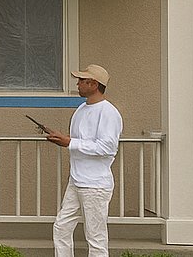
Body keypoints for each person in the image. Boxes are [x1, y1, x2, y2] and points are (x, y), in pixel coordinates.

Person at [45, 64, 122, 257]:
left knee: (96, 237)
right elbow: (80, 141)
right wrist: (63, 139)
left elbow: (107, 148)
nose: (77, 84)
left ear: (94, 84)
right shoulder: (81, 109)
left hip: (95, 185)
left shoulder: (108, 112)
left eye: (81, 81)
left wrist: (70, 142)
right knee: (61, 227)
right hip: (77, 180)